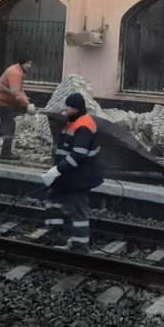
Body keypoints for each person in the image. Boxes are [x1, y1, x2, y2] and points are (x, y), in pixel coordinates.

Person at [40, 92, 104, 251]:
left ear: (76, 109)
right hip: (68, 175)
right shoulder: (74, 121)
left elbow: (78, 155)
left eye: (68, 107)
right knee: (53, 200)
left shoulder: (83, 127)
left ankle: (80, 244)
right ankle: (56, 234)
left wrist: (56, 170)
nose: (65, 110)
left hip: (79, 177)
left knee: (77, 208)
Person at [0, 55, 37, 159]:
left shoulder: (18, 70)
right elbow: (16, 92)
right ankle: (5, 153)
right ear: (22, 63)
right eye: (28, 63)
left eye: (31, 63)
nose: (30, 66)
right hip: (2, 101)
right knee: (10, 125)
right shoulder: (15, 73)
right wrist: (27, 104)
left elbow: (19, 89)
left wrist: (25, 99)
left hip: (3, 100)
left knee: (5, 124)